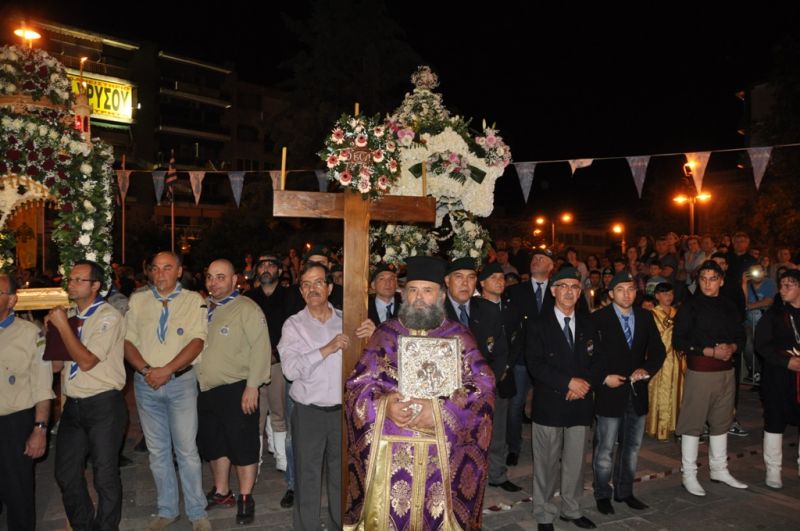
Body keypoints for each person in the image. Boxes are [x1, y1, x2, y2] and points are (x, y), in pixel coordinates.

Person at [344, 256, 495, 530]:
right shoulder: (386, 333)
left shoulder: (459, 336)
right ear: (404, 294)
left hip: (442, 454)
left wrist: (440, 409)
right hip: (391, 453)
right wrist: (384, 405)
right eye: (413, 290)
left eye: (427, 290)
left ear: (440, 294)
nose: (419, 298)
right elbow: (357, 385)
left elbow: (484, 385)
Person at [278, 261, 374, 530]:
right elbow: (290, 370)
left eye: (318, 282)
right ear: (300, 292)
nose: (312, 289)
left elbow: (371, 362)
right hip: (308, 412)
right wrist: (327, 348)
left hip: (342, 412)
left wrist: (373, 335)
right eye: (306, 284)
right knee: (307, 477)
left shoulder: (349, 320)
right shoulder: (293, 326)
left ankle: (337, 526)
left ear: (330, 287)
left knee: (340, 477)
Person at [124, 251, 211, 531]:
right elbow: (127, 342)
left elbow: (197, 341)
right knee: (158, 451)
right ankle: (167, 509)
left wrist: (167, 370)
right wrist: (147, 370)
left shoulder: (192, 300)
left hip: (181, 383)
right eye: (156, 268)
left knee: (186, 450)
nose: (160, 273)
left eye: (167, 268)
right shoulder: (138, 300)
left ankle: (198, 513)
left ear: (179, 271)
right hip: (146, 383)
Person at [48, 260, 127, 531]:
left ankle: (107, 527)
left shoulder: (108, 316)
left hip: (103, 403)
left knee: (104, 475)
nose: (71, 284)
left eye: (79, 280)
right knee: (66, 474)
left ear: (96, 286)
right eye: (70, 279)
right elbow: (58, 365)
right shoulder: (69, 316)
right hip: (73, 404)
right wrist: (49, 334)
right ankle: (83, 525)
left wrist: (63, 328)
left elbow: (87, 361)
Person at [197, 259, 271, 525]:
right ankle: (221, 491)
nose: (214, 282)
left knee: (243, 445)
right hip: (206, 389)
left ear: (234, 280)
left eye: (220, 277)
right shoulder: (204, 308)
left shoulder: (247, 308)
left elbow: (261, 348)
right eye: (210, 277)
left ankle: (245, 496)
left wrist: (253, 385)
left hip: (238, 389)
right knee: (215, 443)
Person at [527, 267, 602, 531]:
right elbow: (535, 364)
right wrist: (568, 382)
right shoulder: (538, 324)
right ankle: (544, 512)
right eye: (564, 286)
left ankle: (571, 508)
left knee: (575, 461)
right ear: (553, 290)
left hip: (580, 402)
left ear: (580, 292)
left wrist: (584, 385)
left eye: (574, 286)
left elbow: (597, 360)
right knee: (546, 462)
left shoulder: (589, 323)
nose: (569, 291)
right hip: (550, 402)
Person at [591, 272, 665, 516]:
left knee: (631, 447)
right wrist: (603, 378)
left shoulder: (645, 317)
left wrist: (647, 369)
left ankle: (625, 491)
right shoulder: (598, 319)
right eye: (620, 289)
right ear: (611, 293)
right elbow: (590, 356)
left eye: (631, 289)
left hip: (636, 392)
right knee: (605, 449)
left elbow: (658, 351)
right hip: (610, 393)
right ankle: (602, 493)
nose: (626, 294)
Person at [673, 260, 747, 497]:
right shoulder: (689, 306)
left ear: (721, 281)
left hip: (726, 371)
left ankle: (719, 469)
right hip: (701, 371)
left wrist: (732, 347)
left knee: (722, 421)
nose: (707, 283)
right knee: (693, 424)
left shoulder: (729, 306)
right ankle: (689, 474)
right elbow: (679, 341)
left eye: (712, 278)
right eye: (703, 278)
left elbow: (741, 336)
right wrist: (708, 351)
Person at [443, 257, 518, 491]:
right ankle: (452, 482)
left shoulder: (487, 309)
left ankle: (496, 475)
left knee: (494, 435)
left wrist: (488, 381)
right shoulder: (437, 312)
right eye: (459, 277)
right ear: (447, 281)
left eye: (471, 277)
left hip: (487, 387)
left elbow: (501, 350)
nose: (466, 283)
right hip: (450, 392)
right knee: (454, 440)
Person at [0, 273, 53, 531]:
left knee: (18, 496)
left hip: (14, 424)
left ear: (11, 300)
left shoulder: (30, 334)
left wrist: (39, 429)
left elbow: (42, 386)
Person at [243, 254, 292, 506]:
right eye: (261, 265)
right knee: (254, 414)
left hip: (279, 362)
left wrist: (277, 353)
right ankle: (256, 461)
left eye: (271, 264)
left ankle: (282, 458)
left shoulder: (290, 296)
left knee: (279, 410)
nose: (266, 269)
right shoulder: (248, 299)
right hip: (253, 364)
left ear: (280, 270)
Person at [505, 248, 555, 467]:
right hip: (521, 360)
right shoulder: (516, 291)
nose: (536, 260)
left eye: (541, 258)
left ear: (551, 266)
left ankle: (549, 449)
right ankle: (514, 447)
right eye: (534, 258)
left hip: (549, 359)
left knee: (549, 403)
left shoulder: (558, 291)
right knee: (516, 404)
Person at [755, 270, 800, 489]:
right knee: (774, 421)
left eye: (788, 286)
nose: (782, 290)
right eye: (781, 285)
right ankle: (773, 470)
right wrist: (786, 362)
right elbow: (761, 345)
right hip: (778, 376)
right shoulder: (773, 314)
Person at [646, 282, 686, 441]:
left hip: (676, 358)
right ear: (657, 296)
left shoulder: (679, 313)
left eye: (670, 294)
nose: (668, 297)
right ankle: (657, 427)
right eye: (664, 294)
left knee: (677, 390)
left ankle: (675, 426)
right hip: (660, 358)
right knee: (659, 391)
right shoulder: (651, 314)